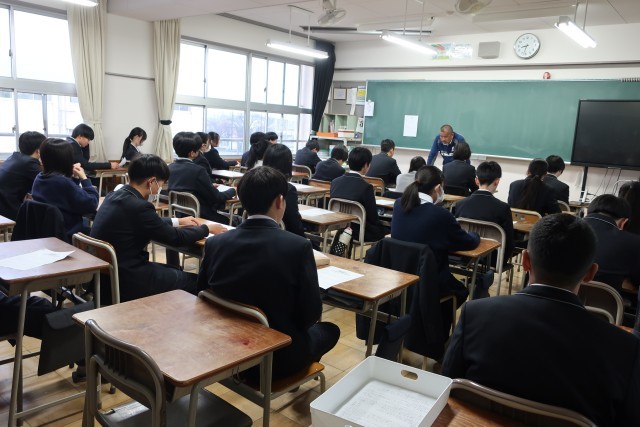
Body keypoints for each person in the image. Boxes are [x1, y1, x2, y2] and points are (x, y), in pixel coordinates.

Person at [442, 213, 640, 426]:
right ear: (590, 273)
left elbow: (446, 389)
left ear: (525, 261)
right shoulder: (626, 350)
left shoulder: (474, 314)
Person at [197, 166, 340, 381]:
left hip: (226, 349)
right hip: (276, 357)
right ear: (280, 201)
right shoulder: (298, 246)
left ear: (241, 198)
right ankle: (296, 375)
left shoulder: (216, 242)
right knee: (330, 330)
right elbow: (310, 315)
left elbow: (201, 293)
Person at [91, 154, 227, 302]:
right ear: (151, 181)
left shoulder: (115, 196)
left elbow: (149, 222)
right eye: (161, 183)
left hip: (109, 277)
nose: (160, 188)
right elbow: (176, 238)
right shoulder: (140, 207)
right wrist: (207, 228)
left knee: (174, 270)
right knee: (197, 282)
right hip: (130, 279)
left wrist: (178, 221)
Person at [391, 165, 479, 308]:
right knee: (461, 291)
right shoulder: (440, 215)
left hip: (399, 274)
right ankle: (435, 319)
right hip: (429, 279)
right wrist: (475, 235)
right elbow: (467, 242)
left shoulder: (399, 204)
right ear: (438, 188)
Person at [31, 138, 99, 240]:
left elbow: (69, 197)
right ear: (67, 159)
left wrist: (75, 178)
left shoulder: (40, 178)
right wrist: (84, 178)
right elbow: (92, 204)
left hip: (48, 233)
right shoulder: (61, 182)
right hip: (69, 235)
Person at [454, 161, 515, 267]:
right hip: (492, 260)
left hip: (465, 254)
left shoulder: (460, 204)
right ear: (497, 181)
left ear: (476, 180)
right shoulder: (503, 208)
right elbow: (509, 242)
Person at [168, 132, 235, 223]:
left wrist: (209, 186)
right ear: (192, 153)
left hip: (180, 215)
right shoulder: (198, 170)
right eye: (198, 149)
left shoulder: (170, 167)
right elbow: (216, 197)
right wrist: (233, 190)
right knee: (234, 221)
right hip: (201, 217)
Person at [583, 194, 640, 294]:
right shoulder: (634, 242)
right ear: (623, 222)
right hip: (605, 302)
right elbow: (636, 282)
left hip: (558, 300)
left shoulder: (560, 229)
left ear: (586, 212)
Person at [330, 147, 387, 242]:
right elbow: (373, 218)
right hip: (359, 231)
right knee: (386, 230)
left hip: (338, 227)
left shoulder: (335, 182)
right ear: (365, 165)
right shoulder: (366, 187)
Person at [262, 143, 306, 238]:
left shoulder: (255, 184)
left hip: (257, 235)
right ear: (287, 164)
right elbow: (293, 223)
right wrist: (304, 240)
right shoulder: (287, 189)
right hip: (282, 238)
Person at [0, 131, 45, 220]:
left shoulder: (14, 157)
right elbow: (47, 182)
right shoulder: (30, 163)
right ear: (39, 150)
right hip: (8, 209)